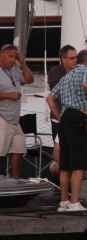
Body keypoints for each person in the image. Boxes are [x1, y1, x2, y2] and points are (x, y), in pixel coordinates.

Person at [46, 50, 87, 212]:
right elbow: (86, 85)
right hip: (80, 118)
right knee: (79, 164)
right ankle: (75, 202)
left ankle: (64, 202)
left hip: (65, 118)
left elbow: (50, 98)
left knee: (65, 164)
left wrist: (59, 116)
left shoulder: (66, 76)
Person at [0, 44, 34, 178]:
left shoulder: (14, 69)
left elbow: (29, 79)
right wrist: (9, 95)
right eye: (10, 57)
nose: (12, 60)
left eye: (14, 57)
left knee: (19, 148)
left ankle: (15, 179)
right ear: (1, 56)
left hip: (14, 119)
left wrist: (23, 63)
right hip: (2, 117)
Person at [47, 45, 77, 179]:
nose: (75, 60)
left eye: (76, 58)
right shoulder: (55, 72)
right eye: (72, 58)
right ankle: (57, 182)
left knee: (72, 150)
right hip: (59, 118)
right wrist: (59, 117)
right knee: (60, 151)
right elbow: (55, 93)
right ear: (63, 59)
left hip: (74, 118)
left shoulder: (77, 71)